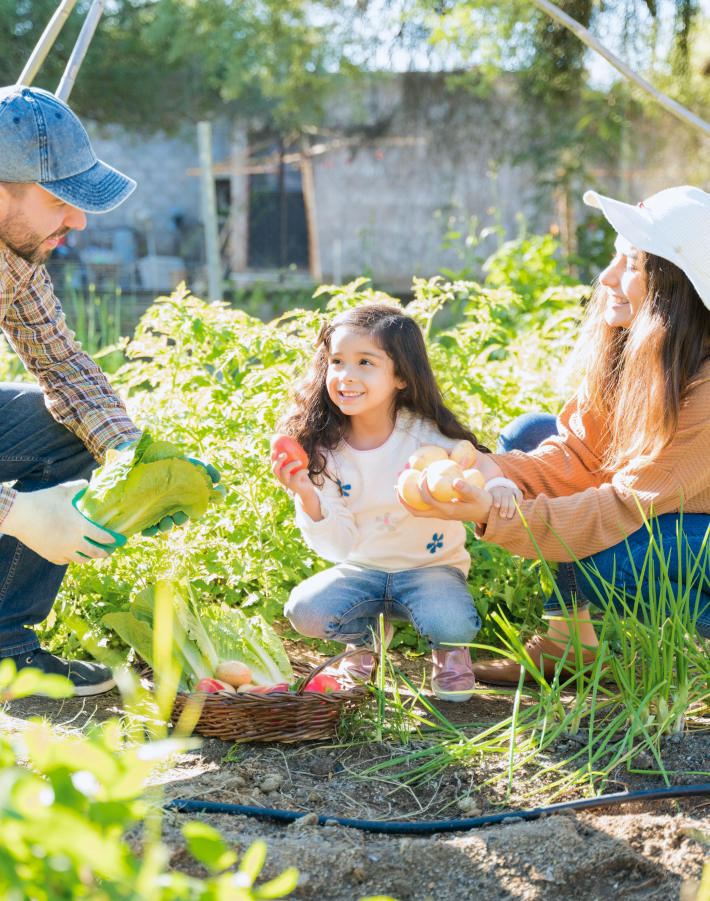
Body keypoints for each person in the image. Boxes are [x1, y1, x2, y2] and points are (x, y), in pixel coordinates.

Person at [399, 185, 710, 685]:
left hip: (697, 529)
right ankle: (574, 648)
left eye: (631, 265)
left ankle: (676, 645)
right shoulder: (636, 351)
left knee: (604, 561)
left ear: (675, 285)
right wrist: (489, 468)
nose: (607, 278)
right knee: (529, 435)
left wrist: (491, 514)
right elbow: (581, 456)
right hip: (662, 508)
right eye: (614, 259)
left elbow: (619, 510)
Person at [0, 85, 195, 695]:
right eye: (60, 198)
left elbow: (63, 366)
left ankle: (3, 653)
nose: (78, 220)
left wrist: (131, 457)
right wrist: (19, 513)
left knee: (59, 424)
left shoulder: (14, 260)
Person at [273, 304, 520, 701]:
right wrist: (306, 492)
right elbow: (336, 545)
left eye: (365, 362)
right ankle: (366, 639)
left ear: (401, 376)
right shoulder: (327, 451)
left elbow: (480, 463)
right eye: (337, 361)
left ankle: (450, 650)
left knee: (452, 622)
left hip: (431, 569)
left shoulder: (424, 435)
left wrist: (502, 486)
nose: (345, 376)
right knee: (305, 610)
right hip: (361, 571)